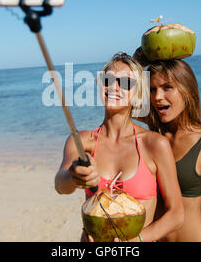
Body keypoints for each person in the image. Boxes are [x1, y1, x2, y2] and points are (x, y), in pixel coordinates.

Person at [54, 53, 184, 242]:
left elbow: (177, 215)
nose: (114, 87)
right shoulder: (83, 142)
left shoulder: (154, 144)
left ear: (138, 93)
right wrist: (73, 175)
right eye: (108, 80)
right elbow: (60, 185)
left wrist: (136, 240)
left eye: (125, 83)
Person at [133, 48, 201, 242]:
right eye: (153, 89)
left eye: (167, 87)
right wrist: (136, 62)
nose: (157, 97)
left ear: (186, 90)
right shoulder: (155, 134)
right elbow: (121, 96)